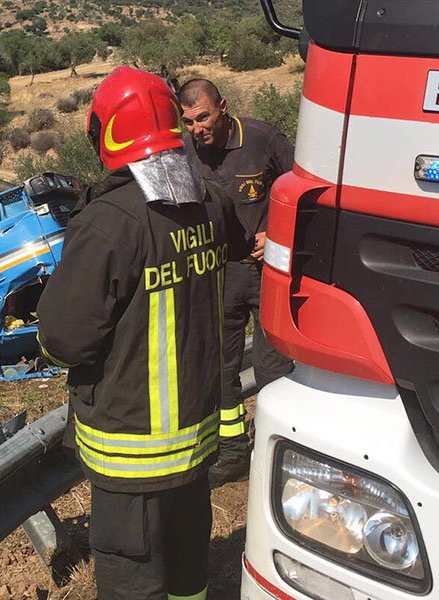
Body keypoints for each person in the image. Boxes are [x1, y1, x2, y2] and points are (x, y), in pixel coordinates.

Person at [37, 67, 252, 600]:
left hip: (131, 454)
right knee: (187, 576)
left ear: (106, 134)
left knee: (134, 583)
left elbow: (64, 340)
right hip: (194, 445)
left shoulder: (109, 222)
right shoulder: (210, 202)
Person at [178, 78, 295, 489]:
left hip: (269, 274)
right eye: (188, 121)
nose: (197, 129)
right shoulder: (185, 152)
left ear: (223, 107)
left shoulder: (263, 139)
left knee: (272, 368)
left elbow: (304, 190)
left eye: (203, 117)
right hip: (219, 275)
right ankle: (232, 453)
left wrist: (278, 234)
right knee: (219, 367)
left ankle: (273, 449)